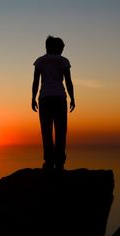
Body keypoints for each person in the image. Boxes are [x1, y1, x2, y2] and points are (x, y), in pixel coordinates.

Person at [31, 36, 75, 170]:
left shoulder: (40, 61)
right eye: (61, 48)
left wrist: (33, 98)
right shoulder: (64, 61)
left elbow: (36, 82)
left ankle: (49, 161)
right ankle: (60, 162)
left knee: (46, 130)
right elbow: (68, 81)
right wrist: (72, 98)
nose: (62, 50)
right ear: (55, 47)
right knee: (61, 131)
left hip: (44, 98)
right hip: (59, 98)